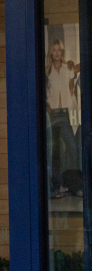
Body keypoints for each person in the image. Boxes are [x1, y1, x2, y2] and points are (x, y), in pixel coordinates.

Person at [45, 38, 80, 198]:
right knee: (55, 153)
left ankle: (75, 186)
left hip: (64, 115)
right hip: (53, 115)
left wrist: (73, 64)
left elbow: (78, 72)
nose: (57, 53)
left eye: (59, 50)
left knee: (72, 149)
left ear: (62, 52)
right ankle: (56, 188)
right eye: (54, 50)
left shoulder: (68, 68)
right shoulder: (47, 70)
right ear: (50, 53)